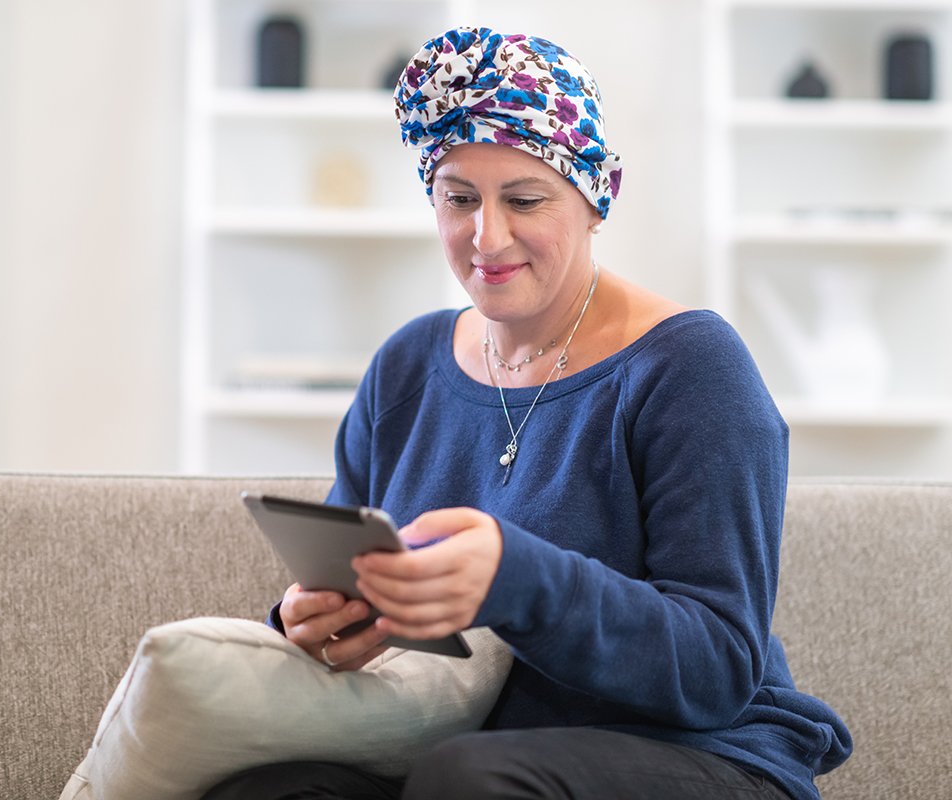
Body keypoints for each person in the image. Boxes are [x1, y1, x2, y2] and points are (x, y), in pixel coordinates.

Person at [203, 27, 852, 800]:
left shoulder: (691, 370)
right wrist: (311, 623)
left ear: (597, 193)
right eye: (459, 198)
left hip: (701, 754)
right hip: (459, 746)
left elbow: (715, 668)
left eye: (524, 199)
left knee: (468, 779)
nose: (488, 237)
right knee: (269, 787)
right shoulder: (408, 368)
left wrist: (515, 577)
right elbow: (354, 578)